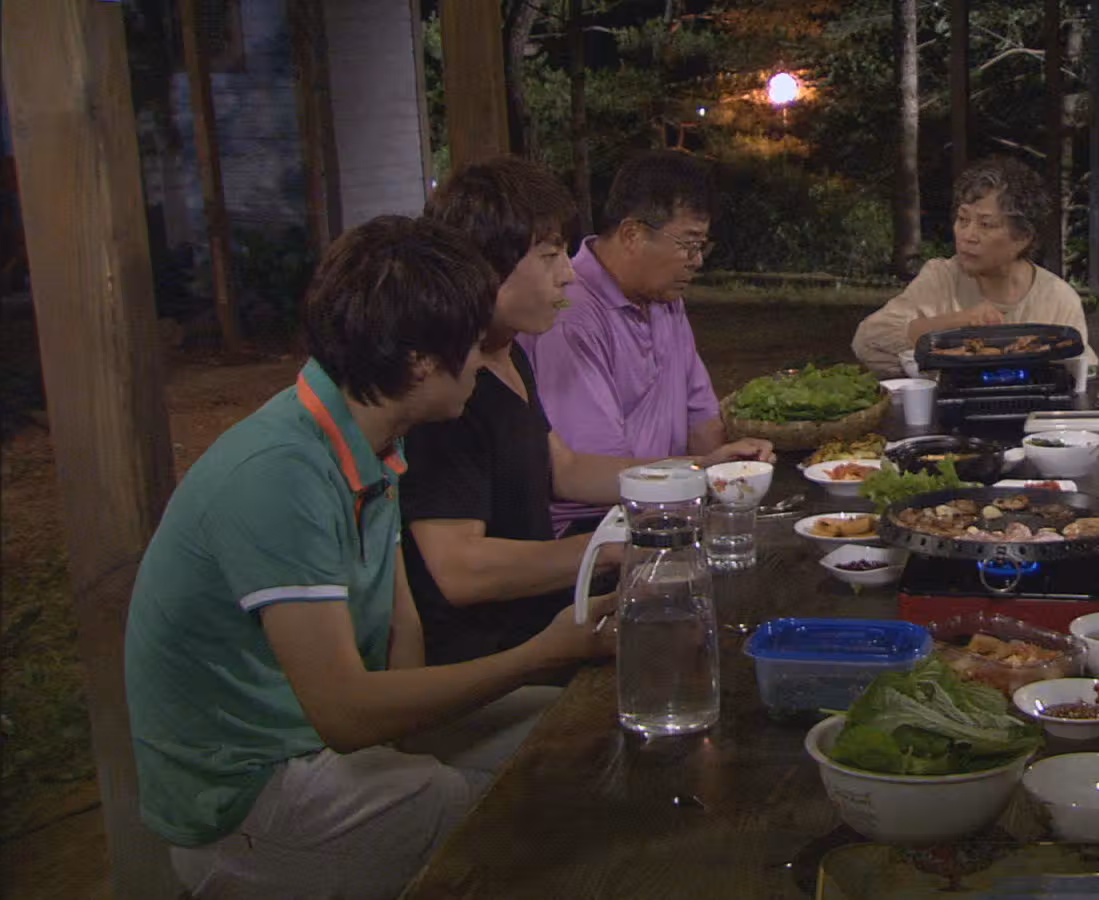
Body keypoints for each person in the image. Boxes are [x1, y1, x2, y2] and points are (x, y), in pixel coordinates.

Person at [124, 216, 616, 900]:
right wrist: (541, 653)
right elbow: (346, 713)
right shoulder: (281, 472)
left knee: (568, 735)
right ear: (418, 363)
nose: (482, 362)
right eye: (472, 345)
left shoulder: (373, 432)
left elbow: (398, 629)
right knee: (493, 817)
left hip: (329, 739)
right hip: (246, 790)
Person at [405, 156, 655, 666]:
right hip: (490, 659)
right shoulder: (445, 391)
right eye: (549, 255)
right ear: (485, 268)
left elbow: (564, 469)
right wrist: (604, 550)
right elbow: (458, 569)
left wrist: (695, 474)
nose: (568, 275)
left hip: (545, 624)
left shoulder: (510, 351)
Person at [521, 150, 771, 536]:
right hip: (597, 523)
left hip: (671, 497)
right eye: (688, 244)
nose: (697, 261)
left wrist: (735, 470)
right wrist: (701, 471)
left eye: (702, 246)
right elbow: (597, 470)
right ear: (632, 235)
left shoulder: (663, 297)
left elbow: (701, 417)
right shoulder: (571, 314)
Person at [851, 156, 1098, 375]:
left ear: (1023, 237)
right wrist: (958, 322)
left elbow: (1082, 374)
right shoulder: (941, 277)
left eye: (985, 224)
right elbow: (867, 342)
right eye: (963, 219)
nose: (967, 235)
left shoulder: (1057, 299)